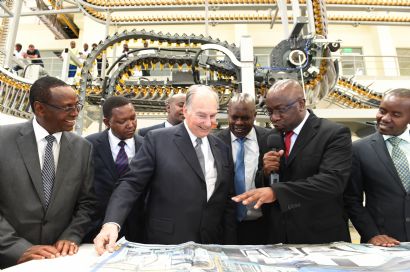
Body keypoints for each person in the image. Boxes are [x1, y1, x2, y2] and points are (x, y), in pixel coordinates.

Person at [94, 85, 236, 254]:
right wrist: (111, 223)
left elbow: (227, 199)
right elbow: (131, 184)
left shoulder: (221, 147)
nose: (208, 123)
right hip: (167, 243)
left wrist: (230, 245)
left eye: (212, 116)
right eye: (201, 115)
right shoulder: (158, 140)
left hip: (211, 244)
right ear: (185, 110)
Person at [233, 79, 352, 244]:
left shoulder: (333, 134)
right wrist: (266, 172)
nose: (274, 118)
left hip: (319, 235)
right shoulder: (271, 137)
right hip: (278, 235)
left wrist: (277, 192)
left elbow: (332, 182)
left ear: (301, 104)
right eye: (269, 111)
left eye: (281, 110)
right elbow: (263, 183)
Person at [0, 76, 96, 268]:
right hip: (8, 260)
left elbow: (87, 203)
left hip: (58, 260)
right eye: (67, 107)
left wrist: (71, 235)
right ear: (40, 108)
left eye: (77, 106)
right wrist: (16, 247)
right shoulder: (3, 140)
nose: (75, 113)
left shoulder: (83, 148)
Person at [344, 88, 410, 247]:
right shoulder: (358, 149)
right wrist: (372, 234)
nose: (385, 118)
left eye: (396, 114)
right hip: (383, 244)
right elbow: (351, 199)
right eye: (382, 111)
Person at [83, 96, 145, 243]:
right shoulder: (89, 145)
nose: (130, 125)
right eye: (122, 121)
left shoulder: (147, 146)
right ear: (107, 122)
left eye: (133, 118)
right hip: (97, 228)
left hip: (139, 229)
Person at [216, 93, 270, 244]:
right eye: (234, 117)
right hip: (225, 227)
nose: (239, 123)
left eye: (245, 118)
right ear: (228, 114)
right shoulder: (215, 142)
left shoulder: (270, 138)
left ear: (254, 115)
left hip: (264, 225)